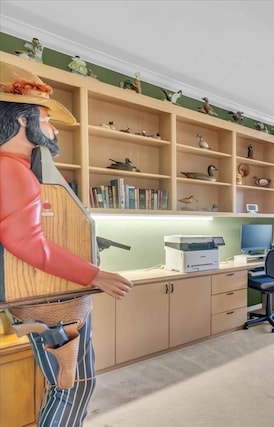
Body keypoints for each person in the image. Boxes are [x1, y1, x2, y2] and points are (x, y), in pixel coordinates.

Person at [0, 61, 133, 426]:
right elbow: (27, 243)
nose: (52, 128)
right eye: (45, 119)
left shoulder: (21, 170)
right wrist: (96, 274)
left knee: (72, 382)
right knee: (71, 383)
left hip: (53, 295)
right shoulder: (12, 171)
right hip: (52, 303)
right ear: (23, 120)